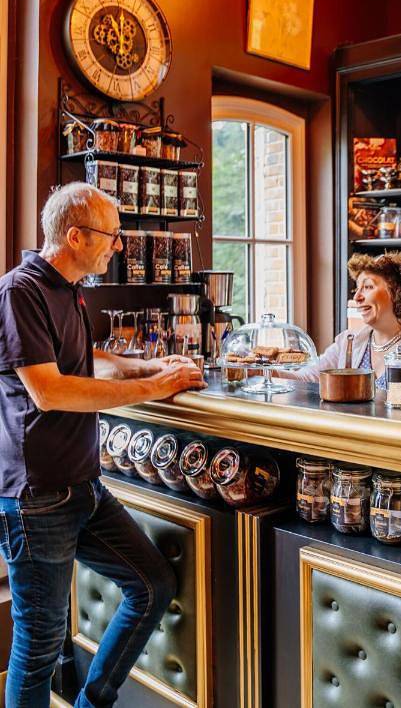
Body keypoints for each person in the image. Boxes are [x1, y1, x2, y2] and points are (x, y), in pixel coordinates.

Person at [0, 182, 206, 708]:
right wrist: (151, 389)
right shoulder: (19, 290)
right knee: (40, 644)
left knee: (153, 585)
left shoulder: (67, 287)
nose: (118, 247)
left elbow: (83, 356)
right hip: (36, 498)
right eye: (112, 236)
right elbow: (50, 390)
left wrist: (150, 365)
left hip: (83, 486)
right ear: (74, 236)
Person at [279, 251, 401, 391]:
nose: (357, 297)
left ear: (396, 292)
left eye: (367, 287)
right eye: (356, 289)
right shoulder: (347, 343)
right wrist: (263, 372)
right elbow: (308, 378)